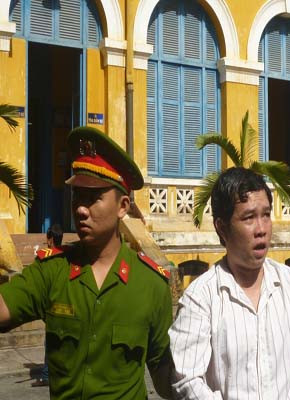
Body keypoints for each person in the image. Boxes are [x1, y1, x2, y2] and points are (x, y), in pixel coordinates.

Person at [0, 126, 173, 399]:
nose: (81, 209)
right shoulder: (52, 271)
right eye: (77, 196)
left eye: (93, 198)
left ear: (123, 206)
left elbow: (166, 379)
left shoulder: (151, 284)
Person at [170, 167, 290, 399]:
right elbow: (186, 379)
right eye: (248, 218)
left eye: (266, 215)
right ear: (222, 227)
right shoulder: (200, 298)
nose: (261, 229)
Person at [31, 223, 63, 388]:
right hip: (65, 301)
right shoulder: (67, 255)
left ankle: (46, 375)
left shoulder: (44, 255)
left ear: (50, 239)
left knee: (50, 341)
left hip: (51, 303)